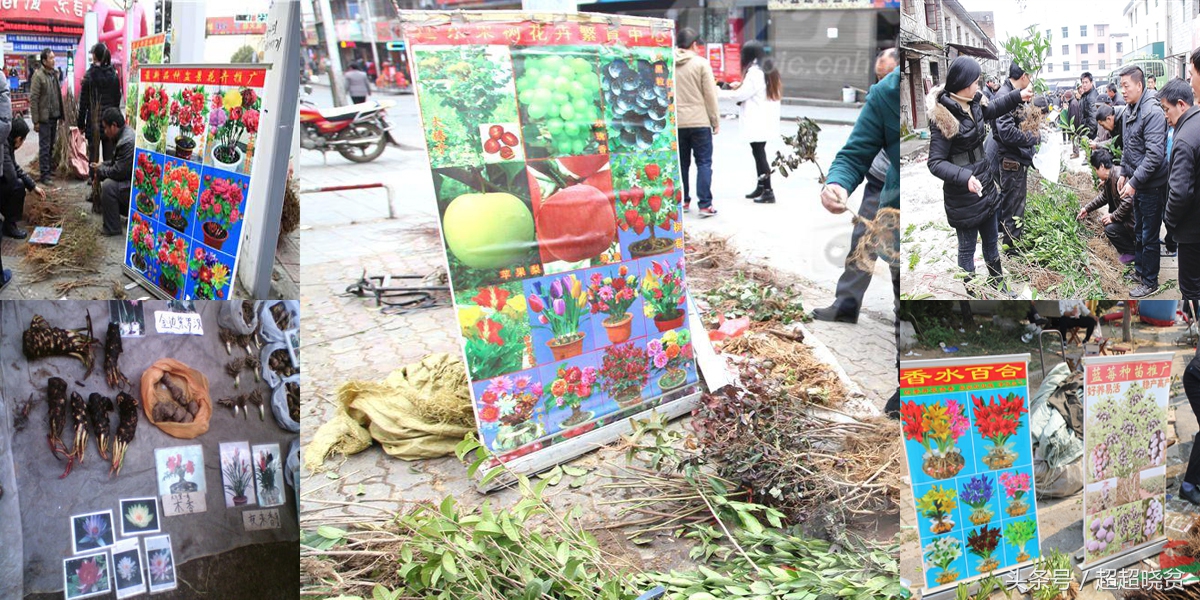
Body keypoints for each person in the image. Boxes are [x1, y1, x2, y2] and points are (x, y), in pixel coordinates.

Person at [925, 56, 1031, 294]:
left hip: (985, 183)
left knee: (992, 243)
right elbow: (935, 162)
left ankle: (998, 285)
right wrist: (964, 178)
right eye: (976, 80)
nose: (979, 85)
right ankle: (973, 292)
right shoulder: (943, 116)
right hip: (963, 193)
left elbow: (993, 109)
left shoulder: (974, 102)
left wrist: (1017, 96)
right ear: (963, 82)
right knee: (967, 249)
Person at [811, 48, 898, 323]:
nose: (881, 80)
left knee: (900, 263)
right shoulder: (884, 93)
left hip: (901, 192)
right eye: (879, 75)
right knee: (862, 240)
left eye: (886, 74)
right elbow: (853, 154)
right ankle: (846, 306)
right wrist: (837, 184)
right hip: (881, 181)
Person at [1119, 65, 1169, 298]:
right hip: (1139, 182)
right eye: (1121, 87)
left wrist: (1134, 182)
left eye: (1126, 86)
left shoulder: (1152, 112)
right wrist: (1123, 172)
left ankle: (1150, 281)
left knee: (1149, 234)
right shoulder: (1131, 108)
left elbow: (1154, 156)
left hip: (1151, 184)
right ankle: (1140, 271)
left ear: (1139, 85)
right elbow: (1128, 145)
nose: (1123, 91)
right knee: (1140, 230)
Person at [721, 41, 782, 204]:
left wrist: (719, 92)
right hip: (764, 118)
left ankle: (768, 191)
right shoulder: (768, 69)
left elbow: (741, 95)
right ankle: (761, 186)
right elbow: (752, 90)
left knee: (760, 155)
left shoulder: (755, 72)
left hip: (757, 119)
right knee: (758, 153)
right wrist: (739, 86)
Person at [991, 62, 1040, 253]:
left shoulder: (1012, 94)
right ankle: (1012, 248)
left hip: (1016, 157)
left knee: (1013, 201)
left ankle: (1011, 241)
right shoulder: (1004, 95)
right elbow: (1006, 132)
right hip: (1011, 160)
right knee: (1013, 204)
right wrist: (1033, 137)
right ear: (1024, 76)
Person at [1160, 78, 1200, 299]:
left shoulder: (1183, 139)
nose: (1166, 116)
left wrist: (1170, 225)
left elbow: (1179, 193)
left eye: (1167, 109)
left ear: (1181, 105)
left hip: (1191, 232)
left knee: (1191, 289)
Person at [673, 28, 720, 217]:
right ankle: (705, 204)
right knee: (703, 162)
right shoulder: (701, 64)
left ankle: (683, 201)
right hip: (699, 122)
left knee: (682, 164)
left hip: (677, 122)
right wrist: (715, 120)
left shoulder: (668, 63)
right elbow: (710, 95)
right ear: (694, 45)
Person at [1078, 149, 1136, 262]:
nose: (1096, 172)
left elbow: (1128, 202)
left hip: (1133, 221)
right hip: (1127, 219)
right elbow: (1103, 197)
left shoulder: (1119, 177)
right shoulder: (1110, 178)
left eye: (1095, 169)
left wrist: (1113, 217)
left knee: (1110, 229)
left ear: (1102, 166)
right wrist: (1087, 208)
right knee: (1108, 223)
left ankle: (1131, 252)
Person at [89, 108, 134, 237]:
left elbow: (118, 172)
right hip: (129, 178)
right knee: (108, 181)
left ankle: (112, 228)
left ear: (114, 126)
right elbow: (116, 162)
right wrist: (102, 165)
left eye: (105, 128)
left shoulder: (126, 142)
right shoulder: (124, 134)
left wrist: (100, 170)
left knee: (108, 186)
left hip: (132, 185)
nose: (105, 131)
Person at [2, 119, 47, 241]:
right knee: (18, 186)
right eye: (23, 140)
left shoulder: (6, 141)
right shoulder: (4, 145)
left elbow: (14, 167)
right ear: (18, 139)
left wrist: (33, 186)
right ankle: (9, 225)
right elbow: (11, 176)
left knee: (18, 183)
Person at [77, 43, 122, 162]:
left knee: (93, 156)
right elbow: (117, 99)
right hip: (109, 123)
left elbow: (83, 103)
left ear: (95, 56)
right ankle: (107, 178)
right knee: (109, 156)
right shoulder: (113, 75)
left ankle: (93, 179)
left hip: (94, 122)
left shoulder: (89, 76)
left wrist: (80, 124)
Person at [29, 48, 63, 185]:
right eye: (51, 58)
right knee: (44, 147)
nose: (54, 60)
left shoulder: (53, 75)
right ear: (44, 61)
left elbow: (57, 96)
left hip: (54, 117)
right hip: (44, 119)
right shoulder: (38, 76)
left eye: (54, 58)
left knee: (50, 146)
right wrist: (35, 121)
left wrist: (61, 114)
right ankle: (45, 175)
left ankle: (48, 170)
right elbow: (34, 99)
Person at [1080, 71, 1099, 138]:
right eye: (1083, 82)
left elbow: (1093, 119)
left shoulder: (1091, 97)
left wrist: (1087, 135)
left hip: (1091, 135)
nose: (1084, 85)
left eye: (1086, 82)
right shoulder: (1086, 95)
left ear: (1091, 82)